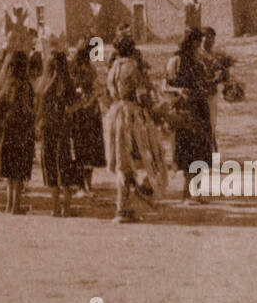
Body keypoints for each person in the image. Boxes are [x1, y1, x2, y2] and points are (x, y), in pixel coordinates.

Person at [103, 34, 166, 223]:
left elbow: (107, 95)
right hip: (131, 115)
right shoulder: (133, 68)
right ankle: (144, 190)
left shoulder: (113, 68)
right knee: (153, 154)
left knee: (123, 161)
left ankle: (123, 207)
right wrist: (155, 113)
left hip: (115, 114)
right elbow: (142, 96)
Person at [165, 28, 217, 204]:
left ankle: (196, 192)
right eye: (196, 41)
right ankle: (186, 194)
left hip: (200, 108)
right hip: (185, 110)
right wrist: (178, 90)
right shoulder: (176, 61)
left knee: (202, 149)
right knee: (188, 151)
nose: (199, 44)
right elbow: (164, 86)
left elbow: (204, 83)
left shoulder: (199, 60)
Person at [0, 50, 36, 215]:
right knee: (18, 173)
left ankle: (9, 205)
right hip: (20, 130)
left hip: (4, 132)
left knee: (9, 174)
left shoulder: (1, 84)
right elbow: (27, 109)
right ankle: (15, 205)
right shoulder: (24, 85)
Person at [36, 51, 80, 217]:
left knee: (50, 166)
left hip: (47, 127)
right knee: (65, 165)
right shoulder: (67, 83)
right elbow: (71, 106)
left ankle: (55, 207)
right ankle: (66, 207)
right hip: (62, 128)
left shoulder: (42, 82)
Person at [68, 41, 106, 197]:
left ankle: (86, 185)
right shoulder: (75, 69)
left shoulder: (88, 68)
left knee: (88, 150)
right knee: (82, 149)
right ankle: (82, 186)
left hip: (89, 111)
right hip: (82, 112)